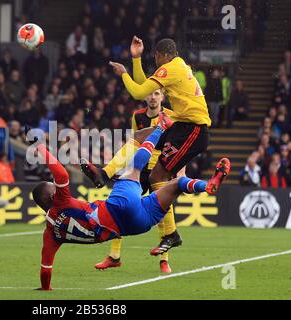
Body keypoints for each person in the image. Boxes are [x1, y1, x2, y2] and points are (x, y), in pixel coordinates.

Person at [32, 112, 230, 290]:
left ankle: (207, 186)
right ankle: (160, 130)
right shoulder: (60, 201)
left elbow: (46, 269)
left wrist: (45, 288)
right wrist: (41, 148)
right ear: (50, 196)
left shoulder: (50, 235)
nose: (54, 186)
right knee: (133, 168)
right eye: (51, 186)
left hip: (135, 226)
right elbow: (61, 174)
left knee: (176, 184)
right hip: (119, 207)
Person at [99, 37, 211, 256]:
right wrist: (136, 59)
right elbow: (145, 87)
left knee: (159, 177)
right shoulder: (178, 67)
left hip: (193, 128)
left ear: (162, 54)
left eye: (155, 57)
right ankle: (105, 172)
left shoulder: (171, 68)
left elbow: (138, 92)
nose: (156, 61)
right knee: (140, 137)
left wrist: (123, 72)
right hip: (182, 125)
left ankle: (172, 232)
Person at [83, 89, 183, 273]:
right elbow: (135, 141)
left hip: (161, 169)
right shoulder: (137, 116)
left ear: (162, 97)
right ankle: (114, 256)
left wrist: (179, 169)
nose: (153, 97)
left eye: (157, 93)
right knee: (119, 208)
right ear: (145, 96)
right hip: (141, 168)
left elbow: (179, 145)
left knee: (162, 215)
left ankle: (164, 260)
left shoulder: (170, 116)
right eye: (150, 94)